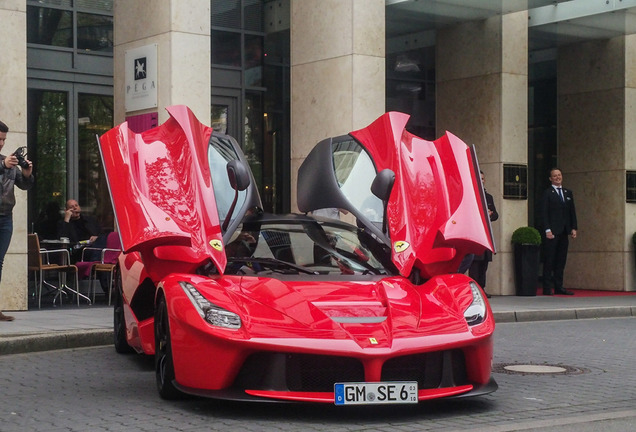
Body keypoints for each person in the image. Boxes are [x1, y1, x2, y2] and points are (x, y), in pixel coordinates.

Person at [0, 121, 34, 321]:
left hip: (5, 218)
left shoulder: (9, 163)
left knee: (0, 262)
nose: (2, 143)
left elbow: (24, 185)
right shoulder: (4, 163)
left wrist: (27, 174)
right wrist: (3, 165)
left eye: (4, 139)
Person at [541, 168, 577, 296]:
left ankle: (559, 286)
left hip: (564, 231)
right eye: (555, 176)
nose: (557, 177)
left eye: (559, 175)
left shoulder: (568, 192)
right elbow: (544, 213)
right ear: (550, 179)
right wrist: (547, 229)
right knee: (550, 260)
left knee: (561, 260)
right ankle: (546, 287)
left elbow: (572, 212)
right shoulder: (547, 193)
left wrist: (573, 228)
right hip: (552, 232)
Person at [469, 171, 499, 298]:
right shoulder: (470, 195)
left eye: (482, 178)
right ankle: (474, 291)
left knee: (484, 263)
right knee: (475, 263)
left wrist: (490, 214)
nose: (481, 181)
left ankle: (482, 289)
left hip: (486, 235)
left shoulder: (489, 197)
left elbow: (496, 215)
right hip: (475, 234)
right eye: (479, 178)